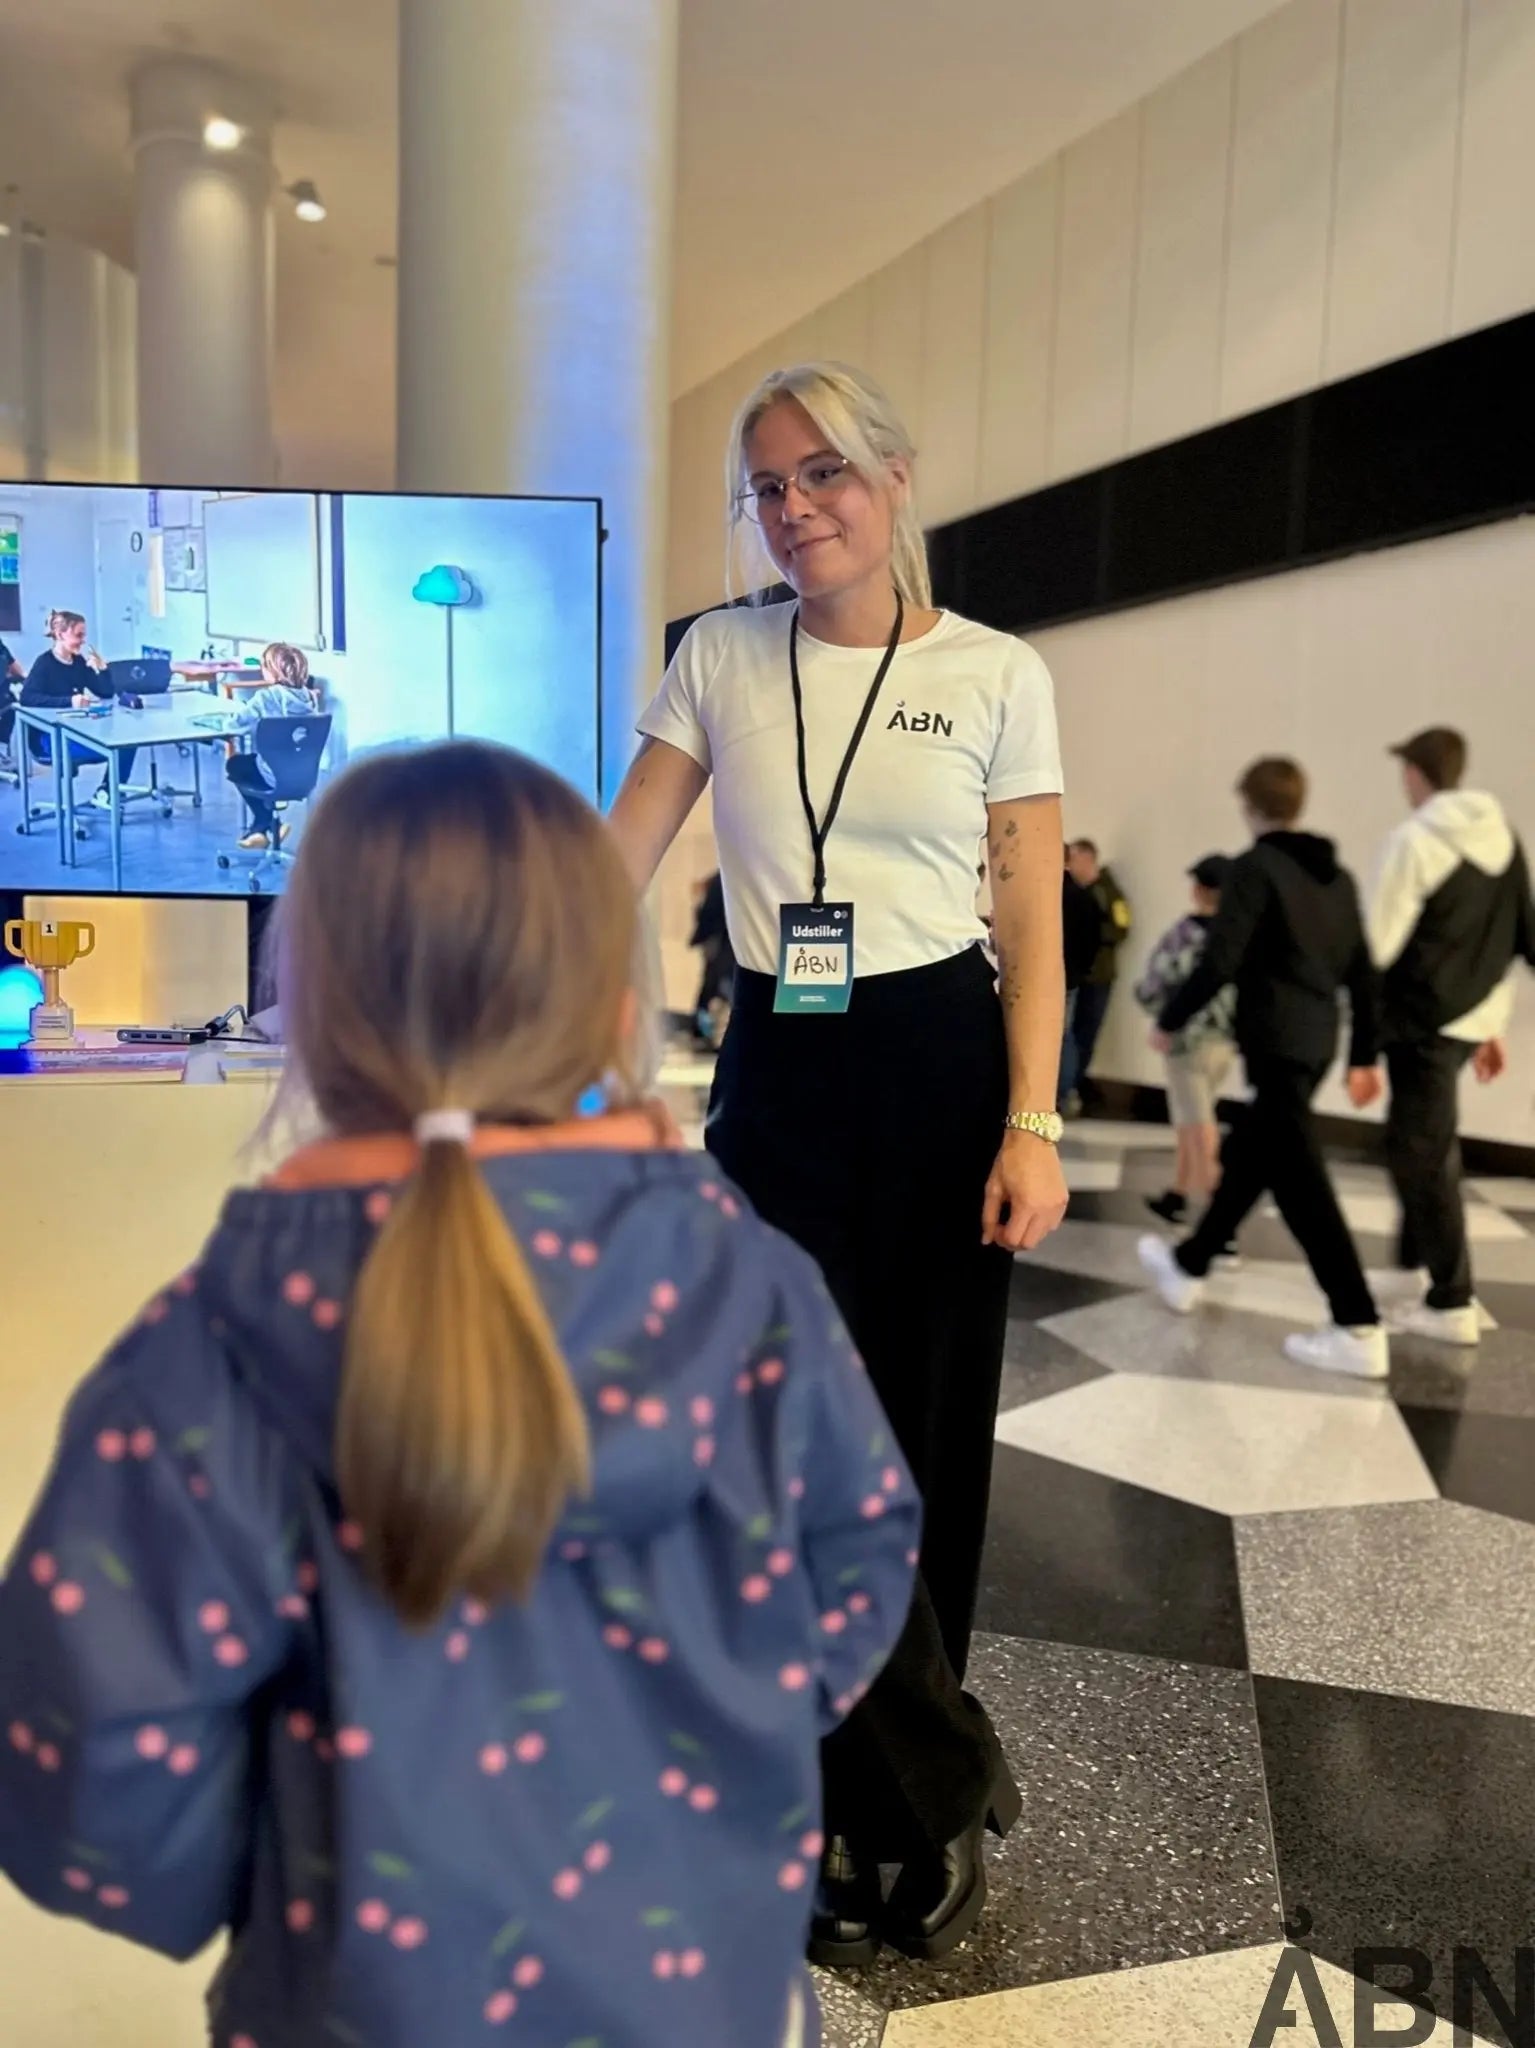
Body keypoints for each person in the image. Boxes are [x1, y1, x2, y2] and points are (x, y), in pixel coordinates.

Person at [0, 741, 919, 2048]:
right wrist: (725, 1754)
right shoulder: (754, 1292)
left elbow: (86, 1754)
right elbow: (861, 1557)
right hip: (707, 1996)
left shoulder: (211, 1350)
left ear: (309, 1018)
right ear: (614, 1009)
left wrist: (276, 1879)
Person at [609, 360, 1067, 1967]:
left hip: (941, 1065)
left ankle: (870, 1801)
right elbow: (618, 861)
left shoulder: (996, 671)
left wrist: (1033, 1120)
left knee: (921, 1439)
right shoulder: (717, 656)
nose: (792, 507)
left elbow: (1026, 918)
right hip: (780, 1078)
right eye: (765, 485)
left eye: (822, 475)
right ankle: (939, 1774)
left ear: (891, 478)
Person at [1138, 757, 1387, 1379]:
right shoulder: (1338, 879)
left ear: (1250, 806)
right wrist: (1361, 1055)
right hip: (1317, 1039)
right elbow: (1362, 970)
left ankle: (1357, 1323)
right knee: (1254, 1155)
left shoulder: (1254, 868)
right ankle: (1191, 1263)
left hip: (1274, 1038)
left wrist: (1170, 1020)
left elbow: (1221, 960)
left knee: (1301, 1181)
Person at [1365, 727, 1535, 1345]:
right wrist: (1490, 1025)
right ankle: (1413, 1270)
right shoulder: (1505, 838)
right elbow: (1522, 933)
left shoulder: (1412, 842)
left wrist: (1359, 1036)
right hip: (1469, 1024)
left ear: (1416, 772)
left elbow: (1377, 946)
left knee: (1425, 1153)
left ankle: (1452, 1300)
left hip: (1420, 1023)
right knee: (1417, 1143)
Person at [1135, 855, 1237, 1226]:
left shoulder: (1185, 935)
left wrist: (1159, 1016)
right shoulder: (1237, 936)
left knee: (1199, 1127)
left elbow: (1155, 982)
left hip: (1186, 1043)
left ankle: (1219, 1219)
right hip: (1223, 1043)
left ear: (1198, 890)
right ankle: (1178, 1192)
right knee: (1190, 1117)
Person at [19, 609, 139, 804]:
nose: (83, 640)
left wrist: (103, 669)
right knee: (117, 748)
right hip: (49, 740)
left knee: (127, 744)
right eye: (78, 635)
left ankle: (108, 794)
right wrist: (69, 700)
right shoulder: (44, 663)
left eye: (84, 635)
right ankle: (108, 796)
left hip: (76, 731)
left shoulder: (78, 662)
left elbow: (106, 692)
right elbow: (27, 697)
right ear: (60, 635)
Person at [225, 641, 324, 848]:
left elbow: (233, 724)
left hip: (273, 774)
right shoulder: (309, 697)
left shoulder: (266, 697)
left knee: (235, 764)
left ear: (273, 671)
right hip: (304, 776)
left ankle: (264, 823)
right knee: (251, 763)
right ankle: (266, 828)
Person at [1060, 839, 1131, 1112]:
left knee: (1083, 1033)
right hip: (1080, 973)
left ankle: (1071, 1087)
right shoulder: (1076, 892)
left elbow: (1122, 927)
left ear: (1090, 859)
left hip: (1099, 974)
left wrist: (1093, 937)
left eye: (1077, 858)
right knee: (1067, 1034)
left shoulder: (1107, 893)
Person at [688, 869, 735, 1048]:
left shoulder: (722, 879)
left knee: (712, 987)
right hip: (721, 945)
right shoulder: (724, 879)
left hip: (720, 944)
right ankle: (706, 1031)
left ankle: (705, 1030)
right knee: (716, 987)